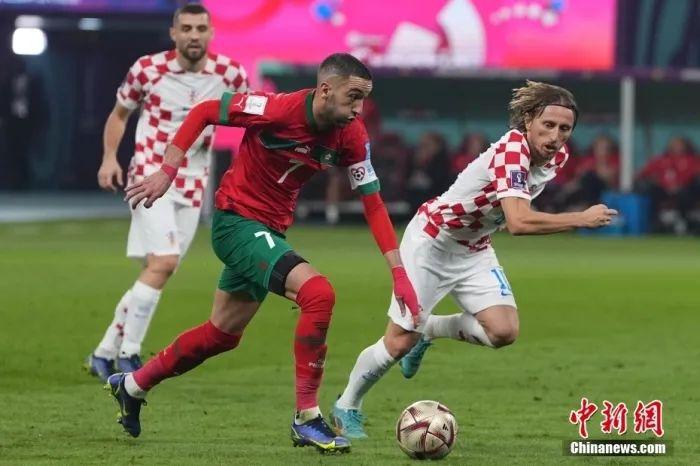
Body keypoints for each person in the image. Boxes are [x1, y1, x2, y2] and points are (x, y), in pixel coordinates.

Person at [106, 53, 420, 453]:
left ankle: (132, 385)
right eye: (353, 97)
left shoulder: (352, 136)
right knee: (318, 293)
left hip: (269, 231)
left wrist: (398, 274)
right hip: (236, 223)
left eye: (364, 99)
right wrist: (169, 170)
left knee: (221, 335)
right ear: (325, 90)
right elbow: (205, 111)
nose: (359, 109)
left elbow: (373, 204)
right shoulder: (276, 109)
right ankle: (306, 417)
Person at [330, 81, 618, 439]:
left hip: (474, 246)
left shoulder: (557, 157)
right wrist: (580, 219)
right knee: (399, 342)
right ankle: (347, 405)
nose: (556, 136)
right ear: (529, 120)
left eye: (565, 128)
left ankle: (430, 330)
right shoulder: (512, 152)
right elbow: (519, 222)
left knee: (503, 331)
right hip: (432, 242)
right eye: (548, 125)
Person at [85, 4, 249, 381]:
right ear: (173, 33)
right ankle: (129, 353)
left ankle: (103, 352)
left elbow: (252, 120)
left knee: (156, 270)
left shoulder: (230, 74)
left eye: (201, 28)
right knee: (164, 262)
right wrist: (109, 158)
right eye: (186, 28)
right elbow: (119, 114)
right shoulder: (148, 69)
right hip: (148, 174)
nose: (194, 35)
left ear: (211, 33)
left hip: (193, 183)